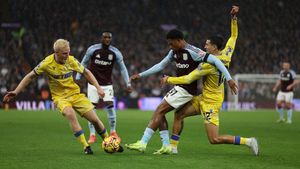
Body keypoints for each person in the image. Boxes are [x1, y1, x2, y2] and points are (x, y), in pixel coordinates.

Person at [161, 6, 259, 156]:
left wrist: (169, 79)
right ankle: (173, 148)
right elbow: (233, 37)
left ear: (214, 47)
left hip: (212, 103)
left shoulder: (208, 65)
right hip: (203, 97)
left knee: (214, 139)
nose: (204, 46)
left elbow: (188, 78)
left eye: (207, 44)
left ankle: (249, 141)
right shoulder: (226, 53)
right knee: (179, 114)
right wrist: (233, 19)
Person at [126, 28, 238, 154]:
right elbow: (160, 65)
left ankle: (143, 143)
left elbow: (216, 61)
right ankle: (166, 146)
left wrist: (229, 79)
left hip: (186, 89)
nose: (170, 46)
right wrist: (141, 75)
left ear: (179, 40)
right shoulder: (173, 52)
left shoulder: (194, 52)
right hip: (180, 87)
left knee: (159, 110)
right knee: (162, 113)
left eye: (171, 43)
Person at [3, 39, 122, 155]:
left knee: (95, 120)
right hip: (60, 98)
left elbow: (86, 72)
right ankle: (86, 146)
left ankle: (109, 142)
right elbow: (30, 76)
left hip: (75, 94)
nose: (68, 55)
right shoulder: (46, 64)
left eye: (68, 52)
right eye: (65, 53)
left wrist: (98, 88)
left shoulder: (71, 60)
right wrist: (16, 91)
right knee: (70, 114)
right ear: (57, 52)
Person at [75, 31, 132, 143]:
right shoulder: (92, 49)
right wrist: (77, 77)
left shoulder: (115, 52)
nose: (107, 39)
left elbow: (123, 68)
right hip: (92, 84)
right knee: (91, 109)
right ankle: (92, 134)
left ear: (111, 39)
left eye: (109, 38)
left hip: (107, 84)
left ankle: (113, 131)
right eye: (105, 37)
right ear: (101, 38)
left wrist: (128, 83)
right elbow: (83, 63)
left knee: (110, 106)